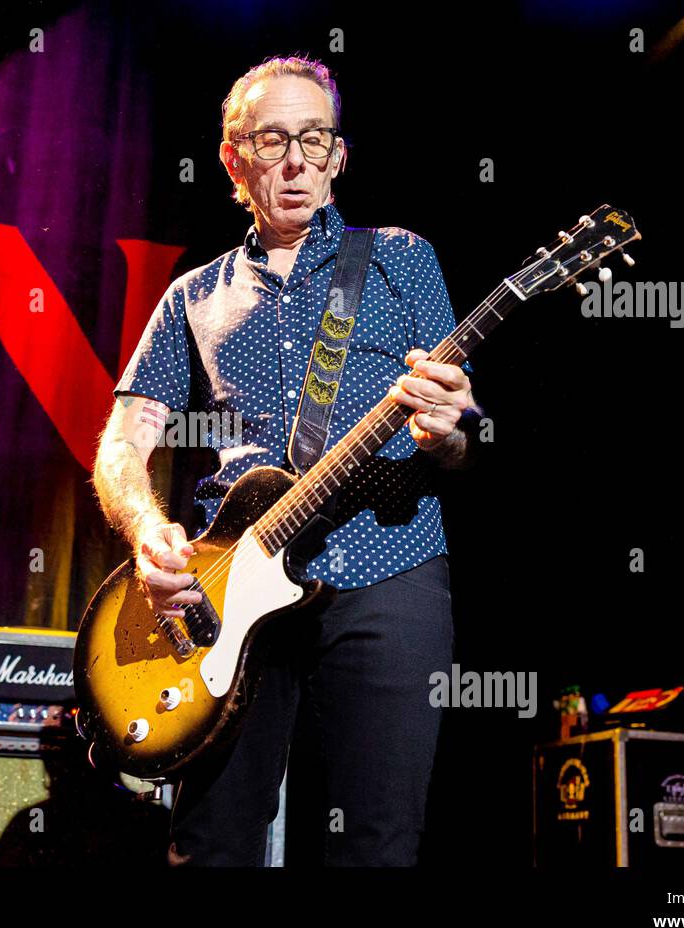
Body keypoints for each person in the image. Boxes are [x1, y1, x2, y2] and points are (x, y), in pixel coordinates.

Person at [92, 55, 477, 866]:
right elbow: (125, 439)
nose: (297, 159)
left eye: (315, 138)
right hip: (234, 589)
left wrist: (447, 427)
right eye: (273, 140)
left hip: (388, 573)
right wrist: (148, 529)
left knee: (375, 845)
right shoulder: (195, 295)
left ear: (339, 156)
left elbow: (458, 434)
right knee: (211, 842)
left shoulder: (402, 258)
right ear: (235, 160)